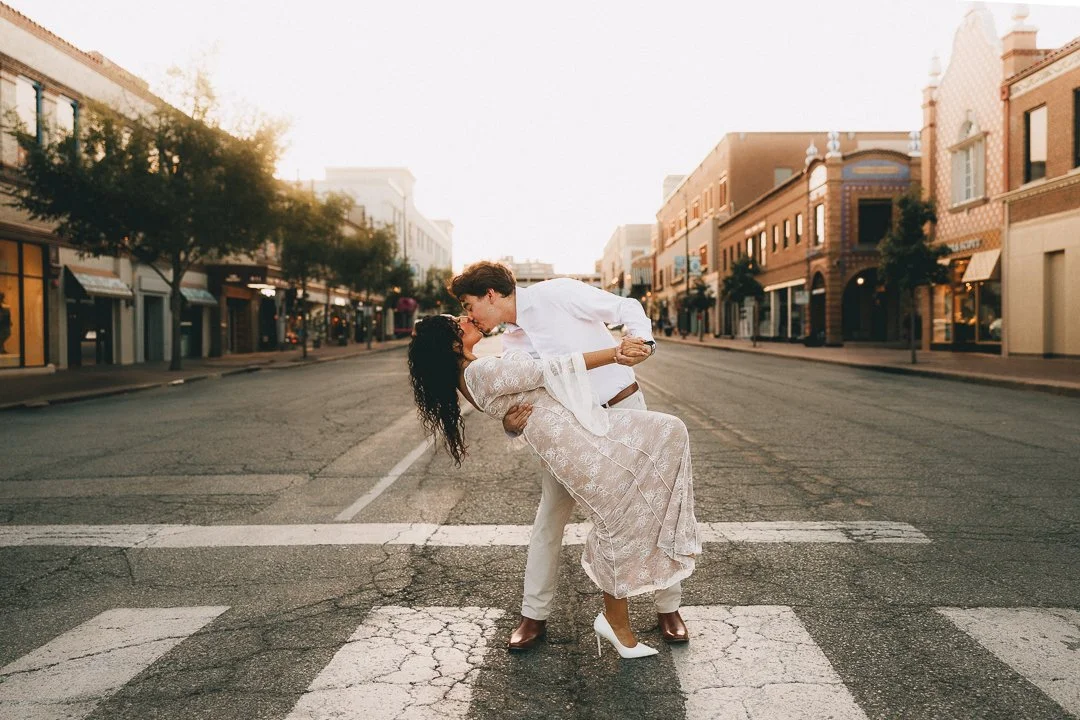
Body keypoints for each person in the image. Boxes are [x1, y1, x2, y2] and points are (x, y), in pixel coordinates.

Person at [407, 314, 700, 658]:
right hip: (577, 442)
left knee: (637, 498)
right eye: (459, 319)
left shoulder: (472, 370)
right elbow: (552, 370)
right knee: (618, 513)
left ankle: (656, 609)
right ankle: (597, 621)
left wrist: (510, 418)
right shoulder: (479, 369)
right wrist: (616, 351)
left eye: (466, 308)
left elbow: (508, 401)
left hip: (589, 426)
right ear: (455, 343)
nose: (467, 315)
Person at [0, 291, 11, 355]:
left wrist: (9, 321)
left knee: (7, 334)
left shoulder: (4, 304)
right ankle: (1, 349)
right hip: (2, 322)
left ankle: (1, 348)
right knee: (2, 335)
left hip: (5, 322)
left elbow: (7, 312)